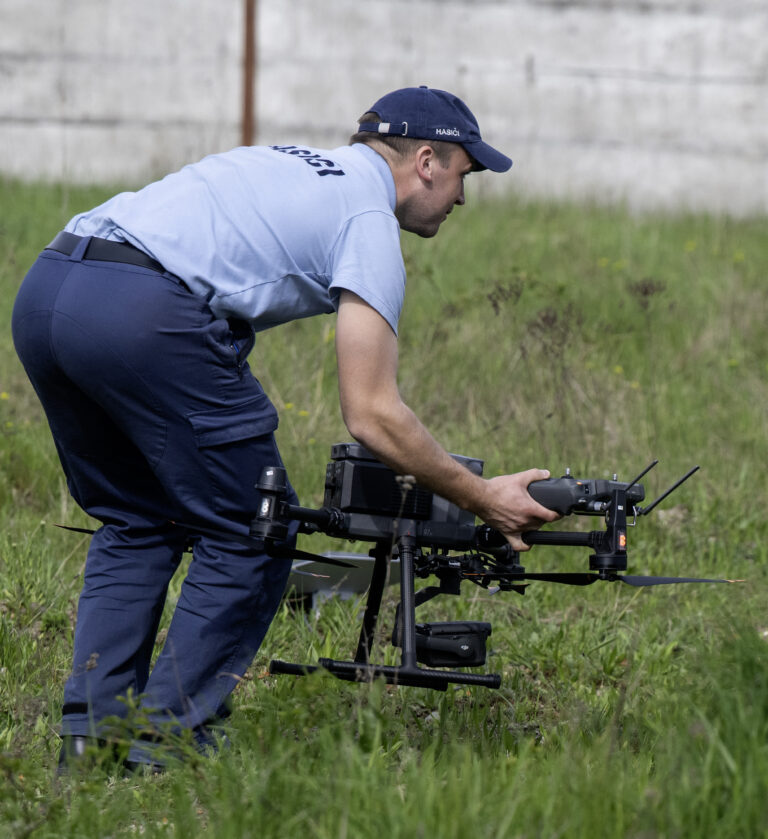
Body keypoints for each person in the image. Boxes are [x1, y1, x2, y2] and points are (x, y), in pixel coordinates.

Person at [12, 85, 557, 771]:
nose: (462, 198)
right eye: (463, 176)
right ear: (426, 160)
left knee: (136, 519)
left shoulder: (290, 161)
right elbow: (373, 414)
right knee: (253, 529)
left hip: (49, 288)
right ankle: (167, 742)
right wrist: (484, 496)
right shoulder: (366, 220)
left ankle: (91, 741)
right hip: (140, 313)